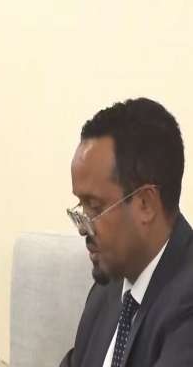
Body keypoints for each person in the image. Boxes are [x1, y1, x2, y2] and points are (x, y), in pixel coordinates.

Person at [61, 98, 193, 366]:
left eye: (95, 207)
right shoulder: (108, 291)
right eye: (81, 207)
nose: (83, 228)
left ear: (145, 204)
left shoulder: (186, 305)